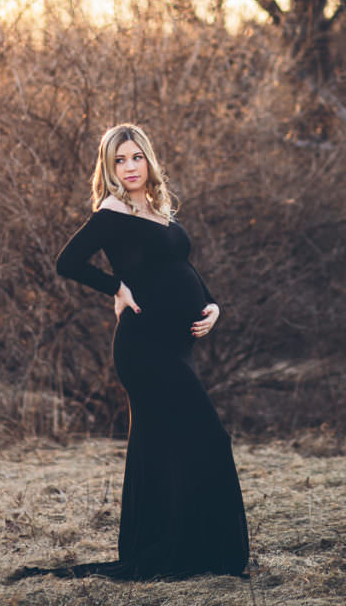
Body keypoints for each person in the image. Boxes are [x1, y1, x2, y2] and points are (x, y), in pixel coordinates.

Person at [51, 123, 250, 581]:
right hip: (145, 348)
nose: (129, 167)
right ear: (109, 168)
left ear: (148, 158)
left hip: (177, 346)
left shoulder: (159, 209)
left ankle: (183, 551)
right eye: (119, 160)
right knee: (209, 438)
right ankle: (197, 551)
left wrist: (213, 304)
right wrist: (115, 286)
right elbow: (68, 262)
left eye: (135, 157)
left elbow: (182, 265)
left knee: (164, 448)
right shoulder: (112, 210)